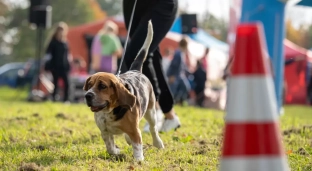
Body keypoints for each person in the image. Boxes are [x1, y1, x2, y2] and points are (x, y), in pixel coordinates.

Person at [122, 0, 180, 132]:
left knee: (138, 52)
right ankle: (170, 116)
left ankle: (154, 108)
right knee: (149, 53)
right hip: (133, 6)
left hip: (161, 4)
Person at [45, 22, 72, 102]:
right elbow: (48, 55)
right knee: (55, 83)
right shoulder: (53, 42)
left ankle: (66, 99)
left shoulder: (65, 42)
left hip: (63, 66)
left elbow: (68, 54)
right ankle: (54, 98)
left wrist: (69, 63)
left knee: (67, 83)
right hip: (55, 66)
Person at [167, 37, 191, 105]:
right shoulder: (178, 53)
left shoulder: (181, 53)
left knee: (185, 87)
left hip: (180, 75)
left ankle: (178, 101)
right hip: (175, 76)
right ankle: (170, 103)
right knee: (172, 91)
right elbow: (173, 65)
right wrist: (171, 75)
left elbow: (183, 66)